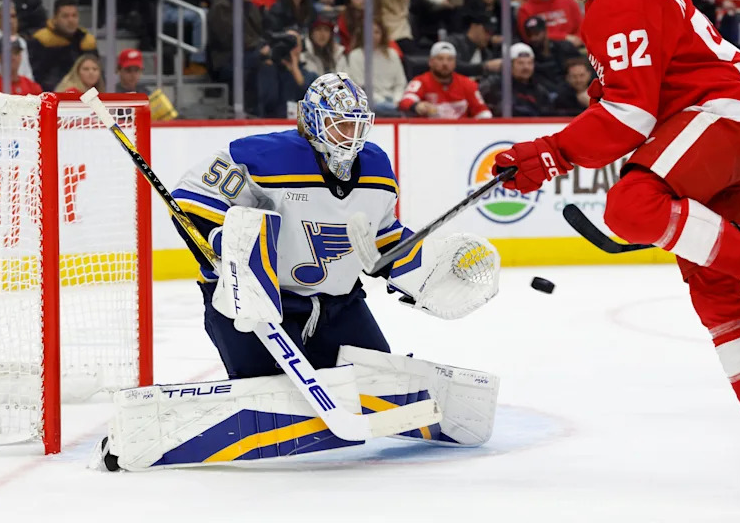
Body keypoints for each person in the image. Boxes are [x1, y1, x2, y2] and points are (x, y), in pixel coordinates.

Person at [495, 0, 740, 505]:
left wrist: (549, 153)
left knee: (630, 206)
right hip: (712, 124)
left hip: (719, 113)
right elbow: (627, 104)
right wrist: (553, 151)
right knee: (714, 293)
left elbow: (627, 116)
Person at [148, 72, 500, 465]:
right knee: (271, 395)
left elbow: (382, 238)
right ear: (313, 121)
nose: (350, 134)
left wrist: (421, 272)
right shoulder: (261, 156)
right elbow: (191, 198)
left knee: (373, 384)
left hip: (337, 305)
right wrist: (225, 245)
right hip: (257, 306)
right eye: (340, 122)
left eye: (357, 124)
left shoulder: (378, 168)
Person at [400, 41, 491, 119]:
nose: (445, 63)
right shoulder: (420, 81)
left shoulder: (468, 84)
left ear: (455, 63)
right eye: (440, 59)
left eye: (450, 59)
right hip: (429, 132)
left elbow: (482, 111)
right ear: (431, 62)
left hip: (461, 133)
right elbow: (406, 100)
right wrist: (417, 106)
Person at [29, 0, 99, 91]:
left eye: (74, 15)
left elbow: (98, 75)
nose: (71, 20)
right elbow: (36, 76)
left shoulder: (87, 41)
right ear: (55, 18)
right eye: (65, 16)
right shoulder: (42, 40)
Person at [339, 19, 407, 116]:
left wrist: (397, 100)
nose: (373, 35)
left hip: (394, 102)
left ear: (382, 34)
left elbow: (400, 83)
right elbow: (360, 85)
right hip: (370, 103)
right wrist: (382, 101)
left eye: (377, 32)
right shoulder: (356, 55)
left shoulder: (392, 54)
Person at [479, 42, 550, 116]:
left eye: (530, 63)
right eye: (520, 63)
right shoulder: (495, 85)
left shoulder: (540, 91)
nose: (526, 67)